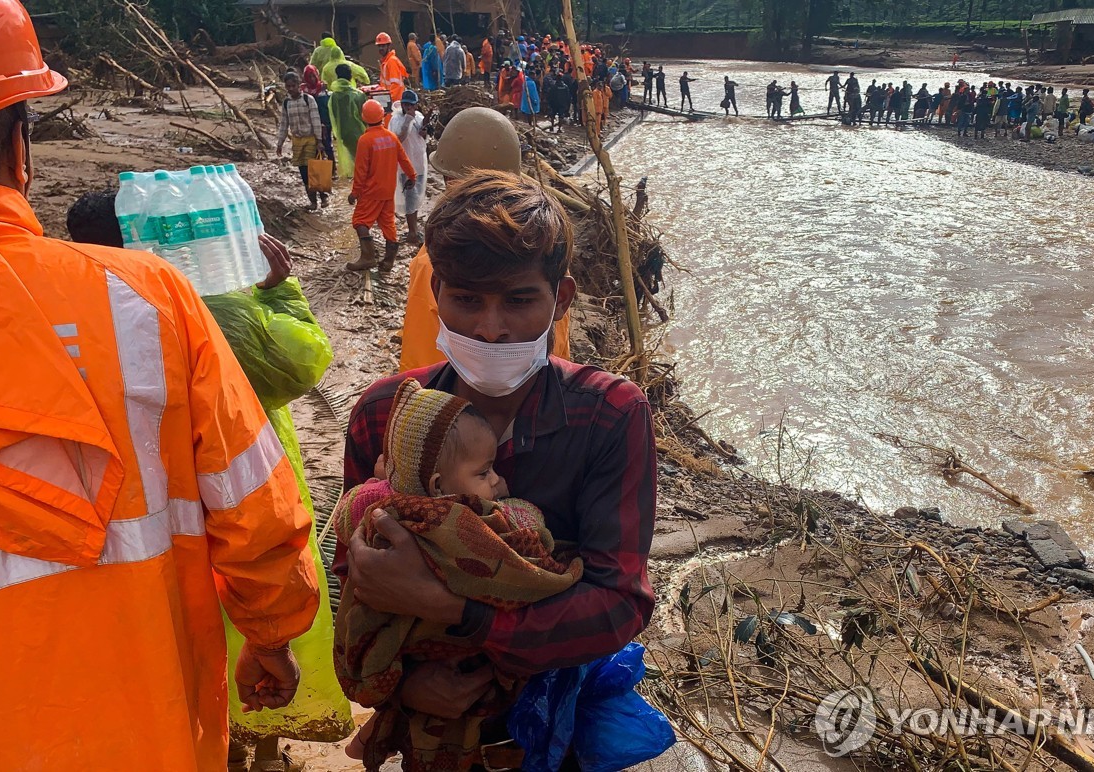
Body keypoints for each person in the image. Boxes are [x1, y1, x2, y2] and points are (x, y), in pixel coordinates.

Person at [0, 2, 319, 767]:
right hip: (138, 726)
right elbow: (256, 509)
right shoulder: (150, 299)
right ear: (19, 144)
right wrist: (271, 634)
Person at [339, 171, 656, 765]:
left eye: (518, 300)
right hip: (427, 731)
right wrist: (403, 685)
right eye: (466, 299)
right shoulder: (383, 412)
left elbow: (619, 602)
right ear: (435, 291)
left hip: (558, 732)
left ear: (560, 298)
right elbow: (353, 576)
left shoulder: (610, 416)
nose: (491, 327)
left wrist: (457, 613)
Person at [64, 191, 352, 772]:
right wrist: (280, 291)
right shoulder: (210, 305)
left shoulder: (63, 314)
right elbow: (300, 364)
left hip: (135, 516)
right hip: (246, 484)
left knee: (177, 632)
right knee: (258, 607)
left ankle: (208, 747)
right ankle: (264, 743)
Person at [332, 378, 581, 769]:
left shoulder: (376, 502)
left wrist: (381, 480)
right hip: (458, 656)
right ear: (437, 487)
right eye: (485, 473)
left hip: (408, 663)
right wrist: (532, 522)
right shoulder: (465, 523)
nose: (499, 482)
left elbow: (345, 516)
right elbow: (529, 541)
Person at [398, 107, 571, 372]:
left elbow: (422, 361)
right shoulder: (544, 244)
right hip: (548, 393)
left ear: (448, 180)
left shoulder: (436, 260)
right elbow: (559, 346)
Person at [346, 100, 417, 273]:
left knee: (360, 221)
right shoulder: (391, 137)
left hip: (371, 191)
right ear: (382, 116)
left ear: (364, 118)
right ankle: (388, 262)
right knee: (388, 225)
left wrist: (354, 193)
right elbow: (404, 159)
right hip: (388, 190)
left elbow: (361, 170)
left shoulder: (365, 140)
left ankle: (368, 258)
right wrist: (412, 176)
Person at [276, 71, 325, 211]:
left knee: (314, 170)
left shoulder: (308, 100)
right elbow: (284, 124)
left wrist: (319, 140)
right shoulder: (286, 103)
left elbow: (316, 120)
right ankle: (313, 202)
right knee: (303, 172)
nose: (290, 89)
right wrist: (280, 143)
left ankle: (323, 196)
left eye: (293, 85)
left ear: (299, 85)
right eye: (288, 86)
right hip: (297, 141)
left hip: (310, 139)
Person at [391, 91, 429, 246]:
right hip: (406, 165)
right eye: (405, 104)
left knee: (417, 196)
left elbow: (422, 137)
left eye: (411, 104)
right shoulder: (396, 119)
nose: (408, 107)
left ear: (415, 104)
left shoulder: (419, 116)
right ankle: (412, 232)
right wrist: (407, 120)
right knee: (410, 197)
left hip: (419, 162)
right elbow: (398, 139)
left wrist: (424, 131)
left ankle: (413, 228)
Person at [327, 62, 369, 178]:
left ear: (337, 77)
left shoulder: (334, 96)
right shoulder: (358, 95)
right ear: (351, 76)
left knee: (354, 160)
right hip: (359, 133)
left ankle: (356, 182)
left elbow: (334, 115)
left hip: (344, 134)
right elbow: (365, 116)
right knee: (364, 162)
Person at [302, 64, 335, 192]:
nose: (312, 79)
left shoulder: (323, 89)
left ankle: (333, 170)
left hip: (325, 123)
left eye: (313, 75)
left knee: (328, 146)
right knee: (313, 149)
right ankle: (318, 176)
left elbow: (328, 108)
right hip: (310, 123)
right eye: (309, 76)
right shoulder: (303, 91)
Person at [375, 32, 408, 104]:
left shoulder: (391, 61)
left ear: (388, 46)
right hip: (389, 100)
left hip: (394, 103)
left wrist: (387, 100)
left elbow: (396, 85)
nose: (381, 48)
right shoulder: (385, 62)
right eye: (379, 46)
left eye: (383, 46)